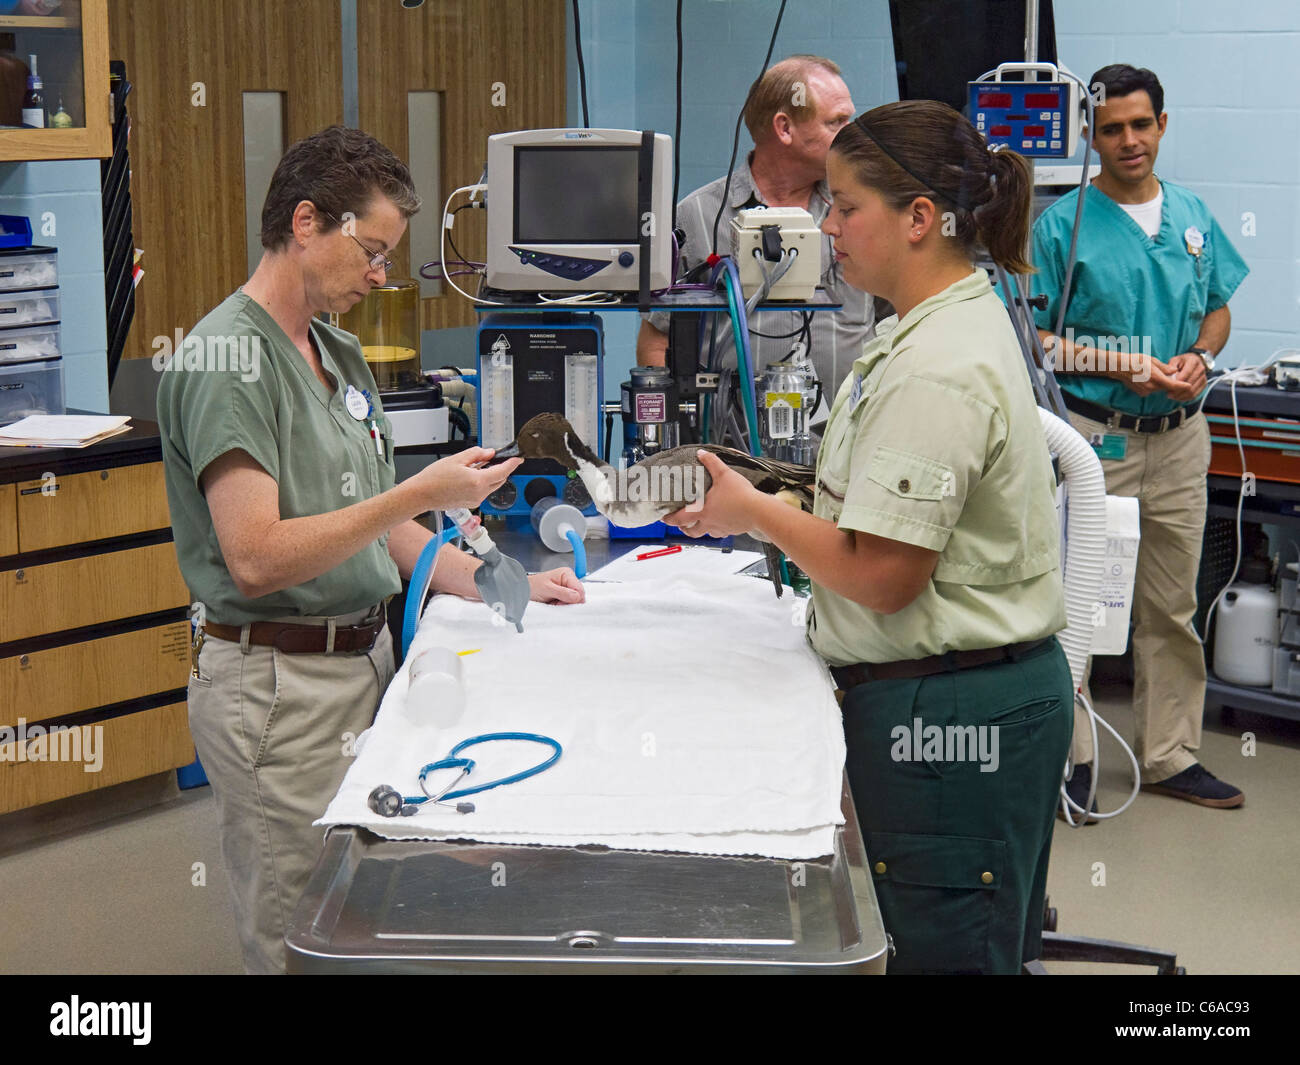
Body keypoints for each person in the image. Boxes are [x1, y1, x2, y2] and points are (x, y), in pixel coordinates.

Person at [156, 126, 585, 974]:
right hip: (277, 688)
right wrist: (419, 492)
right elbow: (258, 556)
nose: (382, 274)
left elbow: (376, 524)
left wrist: (498, 582)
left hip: (363, 665)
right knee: (303, 933)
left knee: (371, 916)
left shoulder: (338, 353)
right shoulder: (227, 363)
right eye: (374, 250)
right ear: (308, 222)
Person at [664, 100, 1074, 974]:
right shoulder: (923, 328)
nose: (828, 226)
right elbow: (868, 504)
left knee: (945, 953)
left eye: (845, 206)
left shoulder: (939, 365)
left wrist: (754, 512)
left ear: (920, 218)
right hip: (943, 693)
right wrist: (764, 488)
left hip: (956, 714)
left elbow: (885, 575)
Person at [1032, 65, 1249, 812]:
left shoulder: (1190, 214)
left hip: (1183, 438)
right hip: (1098, 439)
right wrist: (1120, 361)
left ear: (1163, 124)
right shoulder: (1062, 225)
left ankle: (1169, 753)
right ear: (1091, 134)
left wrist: (1202, 356)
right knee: (1079, 605)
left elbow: (1216, 308)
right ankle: (1073, 760)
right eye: (1113, 128)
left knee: (1171, 603)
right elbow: (1037, 340)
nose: (1129, 140)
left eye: (1141, 125)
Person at [637, 54, 875, 404]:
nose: (851, 135)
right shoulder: (698, 216)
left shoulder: (866, 210)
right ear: (785, 128)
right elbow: (658, 340)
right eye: (836, 122)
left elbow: (897, 317)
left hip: (844, 444)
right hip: (732, 445)